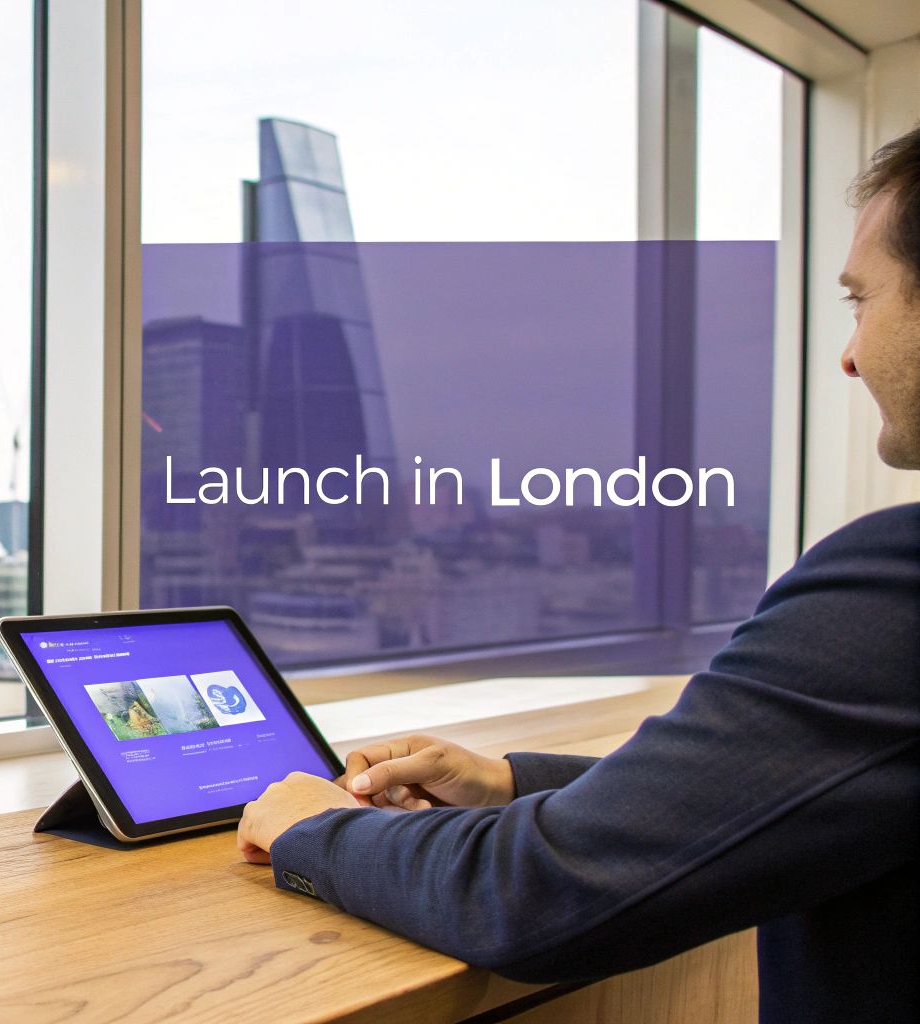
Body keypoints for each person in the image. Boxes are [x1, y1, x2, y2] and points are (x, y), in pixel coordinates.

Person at [236, 122, 920, 1022]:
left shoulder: (896, 583)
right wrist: (509, 781)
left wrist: (317, 832)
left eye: (859, 302)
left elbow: (532, 899)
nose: (847, 353)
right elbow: (797, 785)